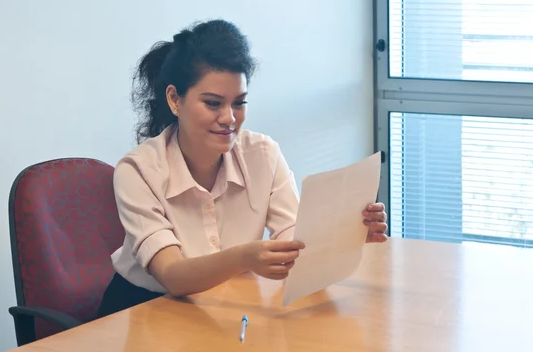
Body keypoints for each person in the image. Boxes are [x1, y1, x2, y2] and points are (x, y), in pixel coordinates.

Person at [97, 19, 388, 318]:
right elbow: (171, 275)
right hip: (144, 308)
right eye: (213, 103)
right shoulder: (137, 171)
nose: (229, 118)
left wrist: (346, 232)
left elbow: (295, 241)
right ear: (175, 99)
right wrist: (244, 258)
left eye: (239, 103)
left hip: (223, 303)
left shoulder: (262, 154)